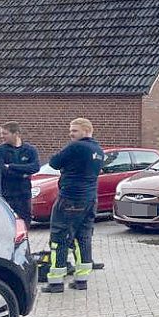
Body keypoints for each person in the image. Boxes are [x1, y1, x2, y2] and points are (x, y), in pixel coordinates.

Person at [42, 118, 105, 293]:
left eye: (74, 130)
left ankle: (55, 282)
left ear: (86, 130)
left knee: (59, 239)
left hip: (70, 198)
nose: (71, 133)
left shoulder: (76, 146)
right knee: (83, 239)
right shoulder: (98, 150)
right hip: (90, 200)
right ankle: (81, 280)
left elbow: (54, 162)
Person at [0, 122, 40, 222]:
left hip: (24, 193)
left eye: (5, 133)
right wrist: (23, 174)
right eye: (1, 133)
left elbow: (35, 167)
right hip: (6, 193)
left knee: (25, 220)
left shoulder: (30, 150)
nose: (2, 136)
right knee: (6, 221)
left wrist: (11, 166)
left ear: (16, 133)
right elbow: (2, 170)